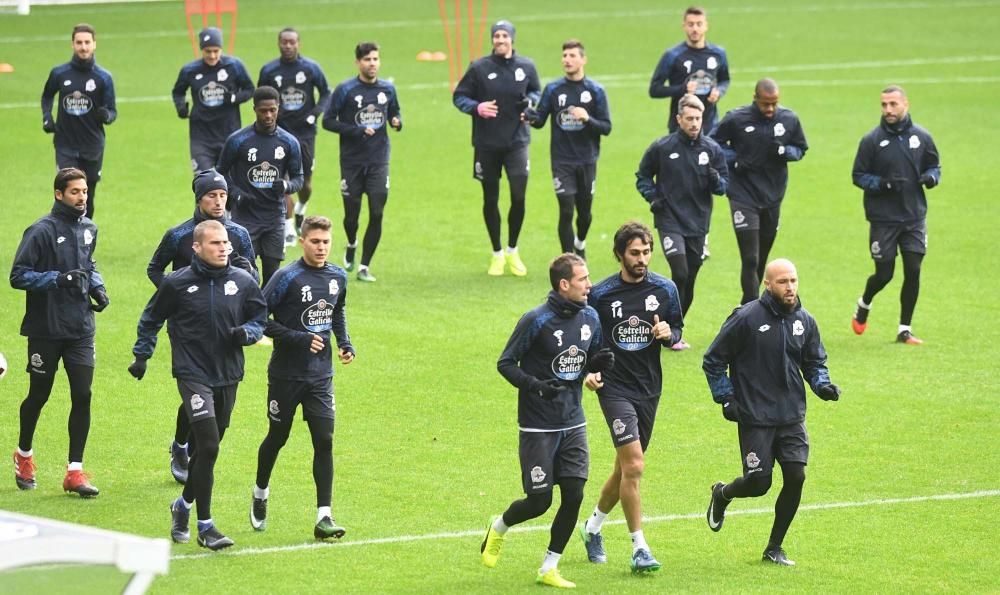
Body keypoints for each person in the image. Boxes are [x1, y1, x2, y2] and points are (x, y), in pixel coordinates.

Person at [129, 219, 267, 551]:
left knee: (208, 449)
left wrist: (247, 334)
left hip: (229, 374)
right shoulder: (177, 283)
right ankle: (206, 526)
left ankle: (183, 505)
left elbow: (259, 318)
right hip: (192, 375)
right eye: (215, 244)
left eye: (225, 244)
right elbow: (151, 318)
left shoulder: (243, 281)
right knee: (209, 445)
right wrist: (141, 355)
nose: (223, 248)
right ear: (197, 247)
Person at [481, 253, 614, 589]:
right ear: (564, 284)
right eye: (583, 279)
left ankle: (549, 566)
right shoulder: (536, 320)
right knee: (539, 501)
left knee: (574, 493)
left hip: (573, 421)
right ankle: (499, 527)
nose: (589, 284)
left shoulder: (591, 318)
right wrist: (536, 387)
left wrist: (595, 370)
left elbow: (586, 364)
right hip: (537, 425)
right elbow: (506, 363)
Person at [702, 258, 841, 566]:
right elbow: (713, 359)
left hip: (792, 416)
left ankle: (774, 547)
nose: (789, 287)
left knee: (796, 475)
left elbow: (814, 362)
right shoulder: (746, 319)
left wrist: (822, 386)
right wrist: (725, 398)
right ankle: (722, 494)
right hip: (756, 418)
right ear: (767, 284)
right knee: (758, 485)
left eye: (793, 281)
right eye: (782, 282)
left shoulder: (805, 321)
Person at [578, 222, 683, 573]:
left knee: (625, 467)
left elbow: (676, 329)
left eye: (647, 252)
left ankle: (592, 528)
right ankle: (639, 547)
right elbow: (584, 337)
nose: (642, 259)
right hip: (614, 388)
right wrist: (588, 372)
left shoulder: (665, 290)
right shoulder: (601, 295)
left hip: (649, 387)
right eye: (635, 253)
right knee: (635, 464)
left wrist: (668, 334)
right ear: (620, 254)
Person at [146, 169, 257, 484]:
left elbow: (253, 278)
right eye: (212, 195)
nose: (219, 201)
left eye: (223, 195)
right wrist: (174, 296)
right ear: (199, 198)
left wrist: (249, 273)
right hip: (186, 326)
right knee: (196, 384)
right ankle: (185, 447)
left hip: (225, 323)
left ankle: (189, 446)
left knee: (218, 394)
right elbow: (155, 268)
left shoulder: (239, 235)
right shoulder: (179, 235)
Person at [249, 216, 355, 540]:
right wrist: (299, 337)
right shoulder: (286, 277)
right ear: (302, 241)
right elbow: (257, 317)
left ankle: (324, 516)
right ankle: (260, 491)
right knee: (277, 437)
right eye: (315, 241)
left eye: (326, 242)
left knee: (324, 440)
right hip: (285, 375)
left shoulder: (338, 276)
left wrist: (345, 343)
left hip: (321, 376)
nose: (321, 247)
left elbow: (337, 311)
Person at [10, 168, 108, 497]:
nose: (82, 197)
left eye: (84, 192)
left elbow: (88, 264)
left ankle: (75, 473)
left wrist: (97, 286)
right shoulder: (40, 231)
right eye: (75, 192)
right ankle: (24, 455)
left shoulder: (90, 228)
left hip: (80, 328)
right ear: (58, 194)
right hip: (46, 328)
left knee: (83, 394)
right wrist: (57, 279)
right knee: (39, 394)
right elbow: (18, 275)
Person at [850, 85, 941, 345]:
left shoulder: (922, 137)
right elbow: (857, 176)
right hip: (883, 219)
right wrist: (883, 183)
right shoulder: (871, 141)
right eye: (884, 105)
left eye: (893, 104)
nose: (888, 109)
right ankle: (864, 303)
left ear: (905, 104)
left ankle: (904, 329)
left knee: (913, 270)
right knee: (884, 274)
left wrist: (932, 177)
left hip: (913, 217)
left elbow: (935, 165)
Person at [635, 93, 728, 348]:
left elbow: (723, 187)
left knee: (690, 278)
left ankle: (673, 330)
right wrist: (652, 197)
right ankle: (664, 324)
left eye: (698, 118)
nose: (695, 123)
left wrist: (715, 180)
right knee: (680, 272)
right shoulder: (662, 148)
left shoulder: (712, 150)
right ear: (679, 119)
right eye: (689, 118)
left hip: (698, 224)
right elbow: (642, 176)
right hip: (669, 220)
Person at [453, 20, 541, 276]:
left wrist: (531, 103)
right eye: (496, 36)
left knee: (518, 196)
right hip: (487, 144)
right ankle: (496, 253)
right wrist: (476, 107)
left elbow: (536, 91)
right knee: (490, 198)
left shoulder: (526, 66)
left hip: (517, 143)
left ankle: (513, 250)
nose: (500, 40)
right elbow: (459, 96)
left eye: (504, 36)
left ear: (512, 39)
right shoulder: (479, 68)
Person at [712, 78, 808, 304]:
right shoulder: (736, 118)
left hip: (773, 196)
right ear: (755, 98)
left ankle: (748, 307)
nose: (770, 109)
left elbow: (800, 148)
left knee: (762, 256)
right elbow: (713, 145)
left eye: (774, 103)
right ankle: (753, 308)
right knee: (751, 258)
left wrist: (784, 151)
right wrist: (735, 160)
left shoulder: (789, 119)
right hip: (742, 195)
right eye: (766, 104)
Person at [322, 42, 401, 283]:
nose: (372, 64)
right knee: (352, 215)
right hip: (352, 161)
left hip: (379, 160)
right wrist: (356, 130)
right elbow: (327, 121)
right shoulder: (345, 90)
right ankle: (352, 242)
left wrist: (397, 121)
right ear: (358, 63)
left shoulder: (387, 89)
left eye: (376, 59)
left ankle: (365, 265)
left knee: (377, 212)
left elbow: (395, 112)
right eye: (367, 60)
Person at [527, 40, 612, 259]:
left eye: (572, 56)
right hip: (561, 160)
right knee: (566, 209)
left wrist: (587, 119)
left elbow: (606, 127)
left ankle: (580, 242)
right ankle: (569, 260)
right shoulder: (554, 89)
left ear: (583, 60)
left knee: (585, 214)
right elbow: (540, 120)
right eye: (565, 56)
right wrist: (527, 115)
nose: (567, 60)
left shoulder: (595, 91)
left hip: (587, 160)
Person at [220, 86, 304, 286]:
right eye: (263, 110)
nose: (268, 115)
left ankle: (265, 317)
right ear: (254, 109)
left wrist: (285, 185)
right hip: (244, 219)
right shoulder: (238, 140)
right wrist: (236, 193)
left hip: (274, 218)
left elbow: (298, 179)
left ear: (278, 108)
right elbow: (221, 172)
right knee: (244, 273)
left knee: (272, 274)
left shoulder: (289, 142)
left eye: (272, 110)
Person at [258, 28, 331, 247]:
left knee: (305, 184)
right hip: (279, 134)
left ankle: (300, 209)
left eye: (292, 42)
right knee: (284, 181)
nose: (288, 46)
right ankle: (289, 229)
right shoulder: (270, 70)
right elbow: (261, 96)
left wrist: (314, 115)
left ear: (298, 43)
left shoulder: (310, 68)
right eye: (284, 42)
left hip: (306, 134)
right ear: (278, 44)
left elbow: (326, 92)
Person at [41, 24, 116, 219]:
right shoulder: (59, 73)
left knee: (86, 197)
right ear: (72, 44)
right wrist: (47, 116)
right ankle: (61, 238)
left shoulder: (104, 77)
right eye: (79, 42)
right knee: (65, 193)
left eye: (87, 42)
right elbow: (47, 96)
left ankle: (84, 240)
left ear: (94, 44)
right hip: (65, 144)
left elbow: (112, 111)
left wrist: (106, 116)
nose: (83, 47)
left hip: (92, 146)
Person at [172, 27, 254, 171]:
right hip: (201, 137)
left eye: (216, 51)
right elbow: (178, 92)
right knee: (204, 182)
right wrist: (181, 108)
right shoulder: (190, 70)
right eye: (208, 51)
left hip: (229, 133)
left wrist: (234, 98)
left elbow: (250, 89)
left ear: (221, 49)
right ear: (201, 50)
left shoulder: (234, 66)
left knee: (230, 184)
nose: (212, 56)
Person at [649, 6, 730, 135]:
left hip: (709, 127)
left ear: (706, 26)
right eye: (691, 24)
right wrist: (682, 89)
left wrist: (719, 91)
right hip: (680, 128)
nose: (695, 29)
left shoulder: (718, 53)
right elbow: (654, 89)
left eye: (699, 24)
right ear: (684, 26)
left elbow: (725, 79)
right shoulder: (672, 55)